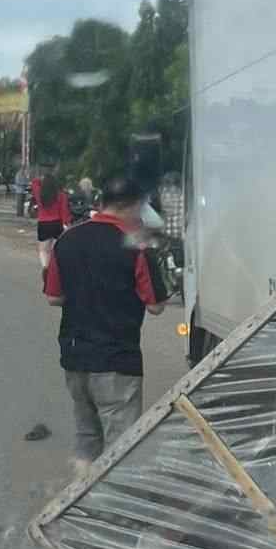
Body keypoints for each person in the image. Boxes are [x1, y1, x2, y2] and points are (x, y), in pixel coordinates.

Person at [43, 176, 168, 467]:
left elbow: (53, 297)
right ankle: (114, 509)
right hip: (116, 361)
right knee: (122, 447)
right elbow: (156, 306)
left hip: (75, 358)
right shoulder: (136, 245)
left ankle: (79, 505)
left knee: (87, 437)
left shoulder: (68, 239)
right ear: (134, 206)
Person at [35, 173, 72, 270]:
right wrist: (66, 224)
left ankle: (45, 267)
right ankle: (54, 268)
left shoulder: (39, 193)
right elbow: (64, 211)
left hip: (43, 224)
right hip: (57, 224)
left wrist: (41, 178)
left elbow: (34, 182)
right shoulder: (61, 195)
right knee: (55, 250)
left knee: (43, 250)